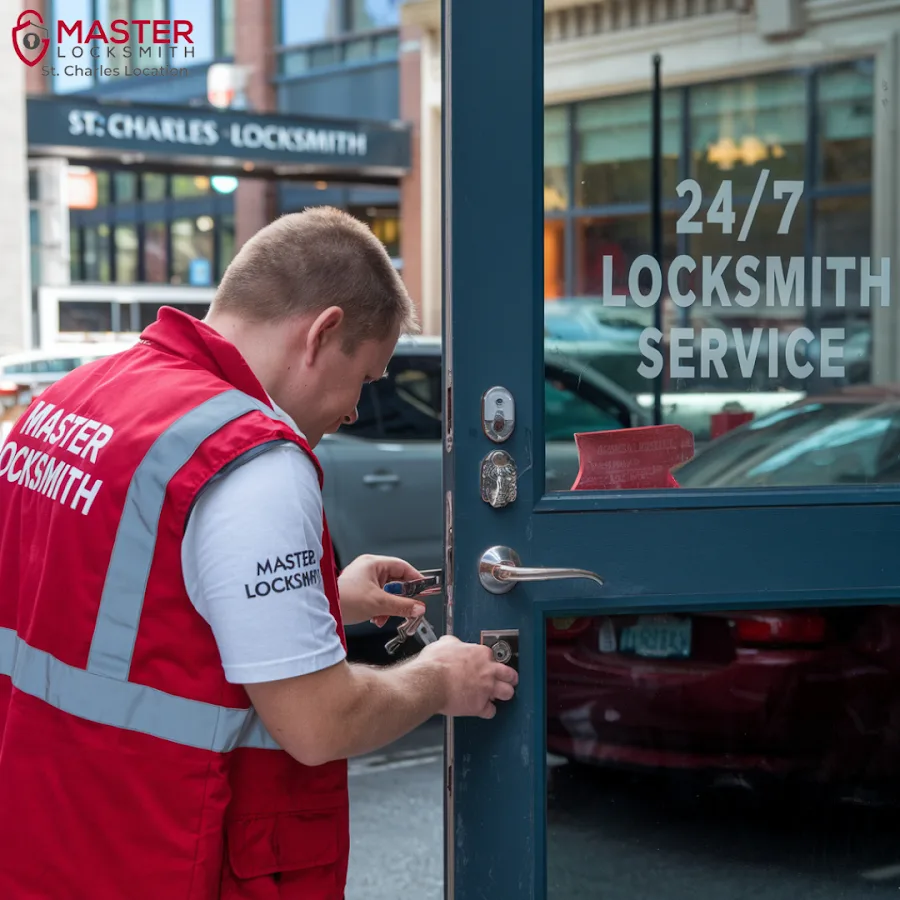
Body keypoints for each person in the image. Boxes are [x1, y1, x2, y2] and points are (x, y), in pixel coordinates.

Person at [0, 207, 518, 900]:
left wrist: (324, 600)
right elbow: (317, 722)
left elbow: (112, 613)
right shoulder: (253, 461)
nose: (356, 410)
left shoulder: (67, 403)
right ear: (322, 332)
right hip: (170, 854)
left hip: (50, 848)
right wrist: (438, 679)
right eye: (365, 376)